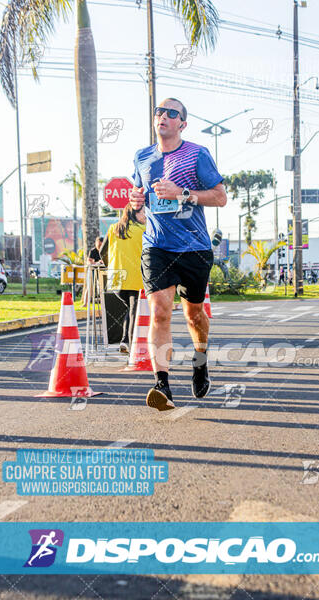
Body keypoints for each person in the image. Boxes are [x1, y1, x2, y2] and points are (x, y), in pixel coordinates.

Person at [130, 97, 227, 411]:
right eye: (160, 111)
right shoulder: (142, 157)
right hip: (156, 246)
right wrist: (135, 203)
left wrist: (182, 194)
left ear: (182, 124)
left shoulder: (197, 154)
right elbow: (140, 204)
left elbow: (220, 198)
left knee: (194, 315)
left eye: (172, 113)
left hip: (194, 247)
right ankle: (163, 385)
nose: (164, 116)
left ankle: (200, 362)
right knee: (159, 310)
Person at [105, 202, 146, 353]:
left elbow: (103, 252)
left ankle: (125, 341)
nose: (146, 216)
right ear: (134, 213)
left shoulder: (113, 228)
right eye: (143, 213)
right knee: (134, 311)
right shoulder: (144, 230)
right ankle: (129, 344)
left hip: (116, 279)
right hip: (135, 278)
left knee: (131, 309)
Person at [82, 236, 104, 307]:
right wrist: (96, 262)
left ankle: (102, 302)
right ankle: (85, 303)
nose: (99, 247)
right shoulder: (93, 251)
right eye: (98, 245)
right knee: (89, 287)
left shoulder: (105, 250)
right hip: (93, 270)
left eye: (101, 245)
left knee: (102, 287)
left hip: (102, 270)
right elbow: (89, 261)